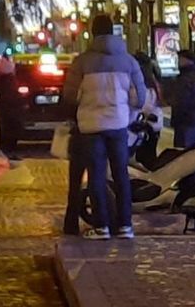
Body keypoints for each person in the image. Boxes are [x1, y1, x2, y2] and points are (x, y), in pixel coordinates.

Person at [63, 14, 146, 240]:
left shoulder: (82, 62)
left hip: (91, 127)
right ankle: (125, 226)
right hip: (118, 124)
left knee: (97, 176)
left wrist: (85, 103)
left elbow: (69, 95)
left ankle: (102, 227)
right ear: (113, 32)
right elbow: (140, 97)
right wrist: (127, 113)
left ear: (93, 32)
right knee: (121, 175)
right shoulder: (129, 61)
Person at [131, 53, 163, 169]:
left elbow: (143, 105)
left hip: (147, 125)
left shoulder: (143, 84)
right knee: (147, 155)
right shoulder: (152, 80)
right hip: (153, 124)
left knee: (146, 157)